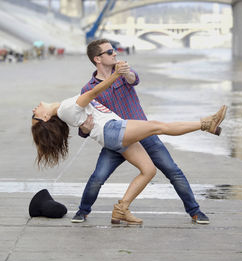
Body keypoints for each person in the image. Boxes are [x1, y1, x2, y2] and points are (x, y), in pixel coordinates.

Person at [31, 62, 227, 225]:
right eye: (35, 115)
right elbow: (92, 93)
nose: (34, 108)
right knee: (159, 126)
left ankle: (121, 209)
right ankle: (206, 124)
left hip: (115, 133)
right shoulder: (65, 108)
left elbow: (92, 108)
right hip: (114, 130)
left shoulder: (66, 110)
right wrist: (115, 75)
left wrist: (119, 74)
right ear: (47, 117)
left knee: (149, 170)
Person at [71, 39, 216, 225]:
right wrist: (85, 129)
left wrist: (126, 73)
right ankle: (83, 211)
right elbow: (84, 123)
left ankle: (195, 211)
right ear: (97, 59)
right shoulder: (89, 89)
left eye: (113, 50)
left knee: (173, 171)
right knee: (98, 178)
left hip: (143, 133)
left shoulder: (123, 72)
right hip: (117, 140)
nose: (114, 54)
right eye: (109, 52)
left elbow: (134, 79)